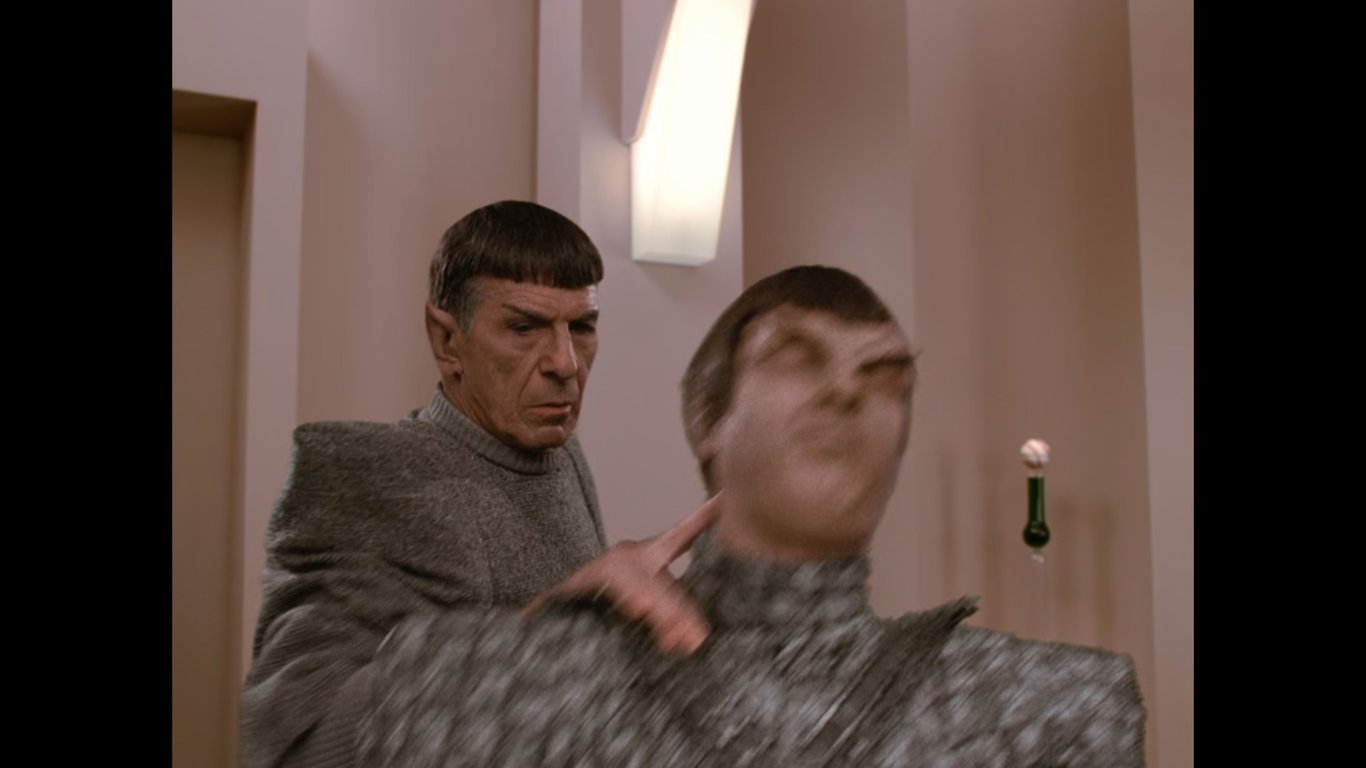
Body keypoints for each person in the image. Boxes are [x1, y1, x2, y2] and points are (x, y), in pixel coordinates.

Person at [357, 266, 1147, 766]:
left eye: (883, 375)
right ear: (709, 418)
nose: (847, 390)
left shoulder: (1058, 708)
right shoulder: (467, 676)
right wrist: (525, 649)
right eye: (798, 356)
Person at [240, 201, 712, 768]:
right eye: (524, 328)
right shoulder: (363, 470)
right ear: (446, 340)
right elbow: (297, 745)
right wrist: (552, 622)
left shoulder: (561, 455)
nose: (565, 363)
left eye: (582, 327)